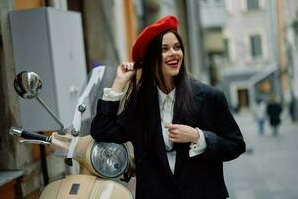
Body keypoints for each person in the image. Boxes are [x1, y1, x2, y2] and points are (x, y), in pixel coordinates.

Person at [91, 15, 245, 199]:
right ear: (151, 59)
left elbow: (236, 145)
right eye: (164, 49)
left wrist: (199, 137)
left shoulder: (209, 97)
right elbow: (102, 131)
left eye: (177, 47)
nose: (173, 53)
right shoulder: (141, 104)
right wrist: (117, 84)